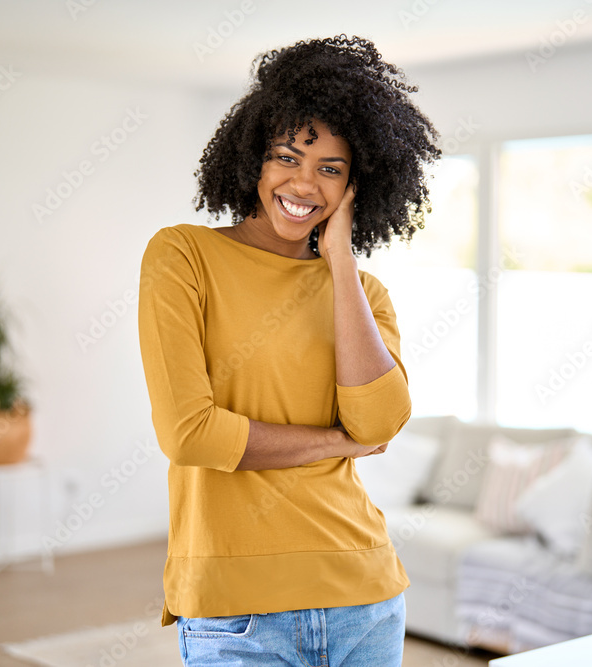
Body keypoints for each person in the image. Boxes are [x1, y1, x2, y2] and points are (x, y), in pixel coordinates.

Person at [137, 34, 440, 666]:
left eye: (331, 168)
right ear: (252, 159)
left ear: (358, 185)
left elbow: (380, 423)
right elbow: (191, 434)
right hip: (236, 611)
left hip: (366, 595)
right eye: (287, 157)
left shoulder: (362, 292)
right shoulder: (184, 255)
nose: (305, 183)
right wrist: (335, 443)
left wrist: (339, 262)